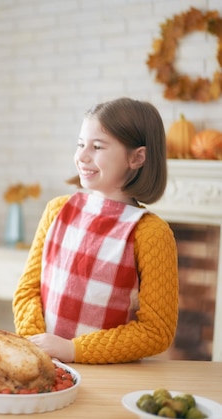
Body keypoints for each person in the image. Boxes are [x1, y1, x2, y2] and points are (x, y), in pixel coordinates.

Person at [13, 97, 179, 364]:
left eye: (97, 146)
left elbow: (156, 331)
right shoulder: (56, 210)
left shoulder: (151, 234)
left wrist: (72, 350)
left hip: (108, 376)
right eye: (80, 144)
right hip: (46, 366)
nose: (81, 156)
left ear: (137, 157)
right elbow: (27, 291)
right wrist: (40, 346)